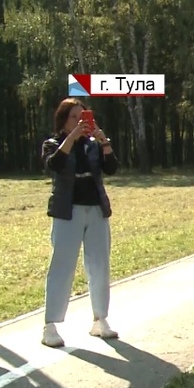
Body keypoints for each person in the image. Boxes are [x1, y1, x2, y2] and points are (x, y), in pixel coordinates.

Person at [40, 98, 120, 348]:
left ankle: (100, 320)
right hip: (67, 211)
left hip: (95, 209)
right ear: (64, 120)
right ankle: (50, 326)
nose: (80, 121)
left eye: (83, 116)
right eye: (75, 117)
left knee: (99, 264)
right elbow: (54, 165)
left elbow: (111, 168)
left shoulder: (93, 144)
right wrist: (71, 138)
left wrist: (103, 140)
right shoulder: (53, 143)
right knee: (62, 267)